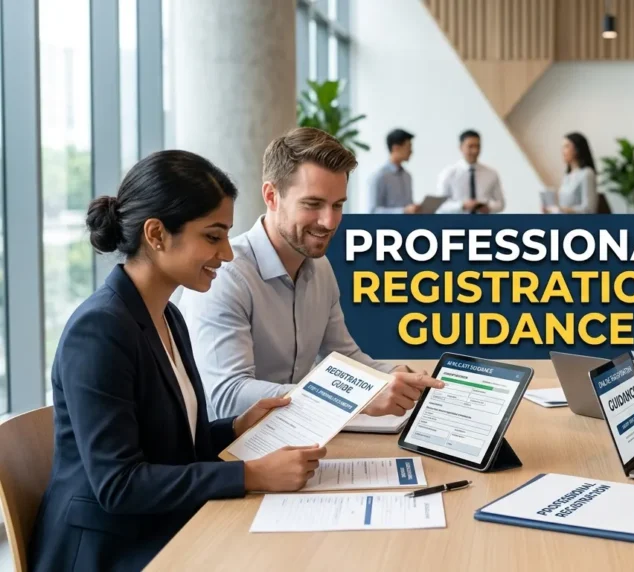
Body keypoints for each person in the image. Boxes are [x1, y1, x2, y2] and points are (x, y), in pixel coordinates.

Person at [30, 151, 328, 571]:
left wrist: (237, 427)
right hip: (110, 550)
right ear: (156, 234)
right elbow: (119, 485)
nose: (227, 254)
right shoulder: (98, 330)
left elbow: (171, 446)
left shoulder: (168, 315)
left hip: (160, 527)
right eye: (212, 236)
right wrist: (251, 475)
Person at [179, 127, 444, 419]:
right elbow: (229, 397)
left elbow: (344, 357)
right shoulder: (226, 275)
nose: (329, 222)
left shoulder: (320, 267)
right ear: (271, 196)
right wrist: (359, 396)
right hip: (227, 454)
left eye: (338, 205)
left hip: (296, 439)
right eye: (313, 204)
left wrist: (394, 375)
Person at [436, 129, 505, 214]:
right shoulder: (448, 173)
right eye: (470, 146)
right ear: (461, 147)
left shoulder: (491, 174)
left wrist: (488, 207)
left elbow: (500, 203)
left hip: (483, 224)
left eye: (478, 146)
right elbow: (440, 206)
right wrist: (462, 205)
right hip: (456, 224)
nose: (475, 151)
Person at [544, 132, 598, 214]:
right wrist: (551, 210)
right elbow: (563, 206)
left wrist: (563, 210)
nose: (562, 151)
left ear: (577, 149)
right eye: (562, 147)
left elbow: (589, 210)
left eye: (566, 146)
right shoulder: (567, 176)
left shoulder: (587, 173)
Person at [368, 128, 417, 214]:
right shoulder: (380, 176)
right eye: (408, 147)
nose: (411, 151)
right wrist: (403, 211)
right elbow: (373, 211)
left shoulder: (407, 176)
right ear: (396, 148)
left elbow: (409, 205)